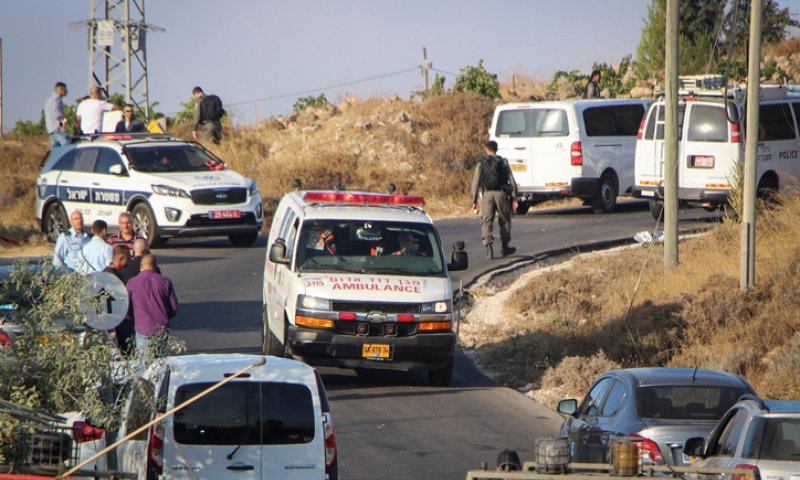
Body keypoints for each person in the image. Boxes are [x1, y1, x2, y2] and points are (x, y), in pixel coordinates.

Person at [471, 141, 518, 259]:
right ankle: (505, 246)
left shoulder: (481, 164)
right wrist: (514, 196)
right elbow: (512, 181)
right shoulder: (503, 162)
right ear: (497, 149)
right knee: (505, 220)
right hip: (501, 194)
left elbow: (475, 183)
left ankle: (489, 250)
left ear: (486, 149)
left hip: (487, 195)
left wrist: (474, 200)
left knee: (487, 221)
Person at [126, 254, 178, 358]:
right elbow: (174, 307)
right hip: (161, 329)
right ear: (155, 266)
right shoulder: (165, 282)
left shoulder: (131, 283)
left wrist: (131, 316)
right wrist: (165, 316)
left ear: (141, 267)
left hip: (142, 328)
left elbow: (126, 306)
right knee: (162, 364)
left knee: (144, 365)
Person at [103, 246, 135, 354]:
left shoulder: (106, 273)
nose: (129, 263)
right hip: (116, 322)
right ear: (121, 258)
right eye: (128, 259)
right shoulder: (114, 276)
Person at [44, 82, 70, 148]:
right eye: (65, 90)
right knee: (67, 146)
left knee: (56, 150)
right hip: (57, 130)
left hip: (51, 131)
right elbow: (60, 116)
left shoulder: (49, 100)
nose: (67, 91)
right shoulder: (57, 100)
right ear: (61, 89)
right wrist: (64, 127)